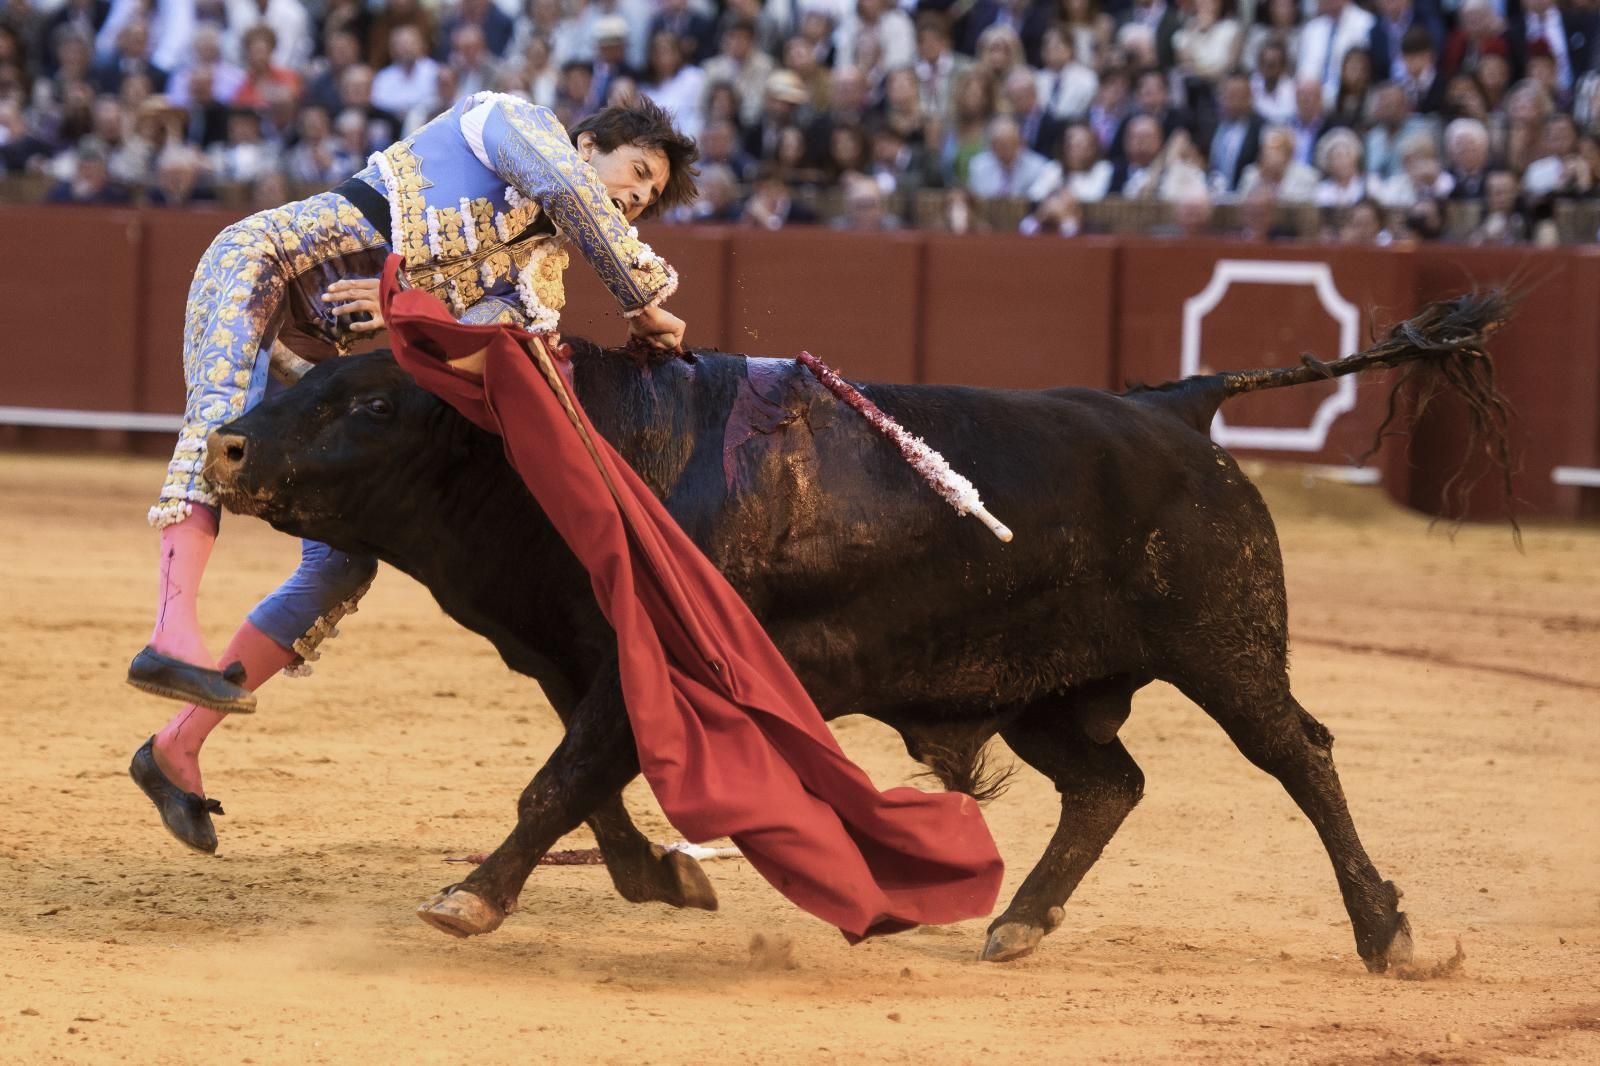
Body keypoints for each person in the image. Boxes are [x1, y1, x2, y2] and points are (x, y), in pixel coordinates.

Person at [128, 93, 699, 854]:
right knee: (220, 425)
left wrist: (403, 301)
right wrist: (644, 301)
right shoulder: (509, 122)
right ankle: (172, 632)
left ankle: (176, 747)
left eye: (649, 198)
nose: (634, 197)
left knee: (341, 567)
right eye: (635, 172)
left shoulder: (541, 284)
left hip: (330, 370)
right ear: (587, 143)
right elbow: (566, 191)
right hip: (263, 270)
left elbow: (485, 348)